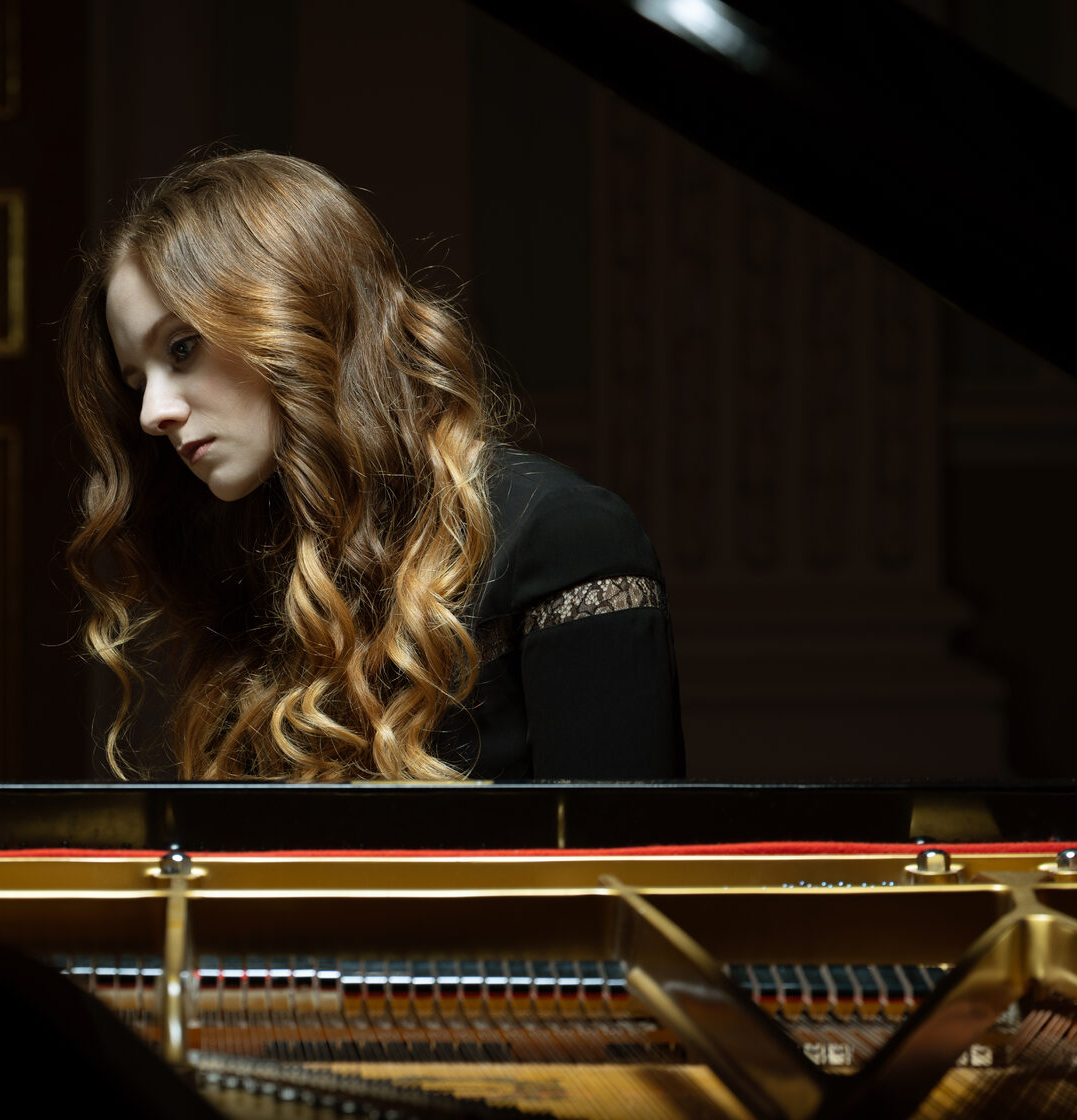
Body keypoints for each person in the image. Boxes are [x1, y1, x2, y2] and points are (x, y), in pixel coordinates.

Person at [61, 151, 683, 781]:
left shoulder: (564, 538)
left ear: (295, 312)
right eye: (138, 382)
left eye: (182, 348)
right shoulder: (254, 574)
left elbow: (623, 846)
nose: (153, 413)